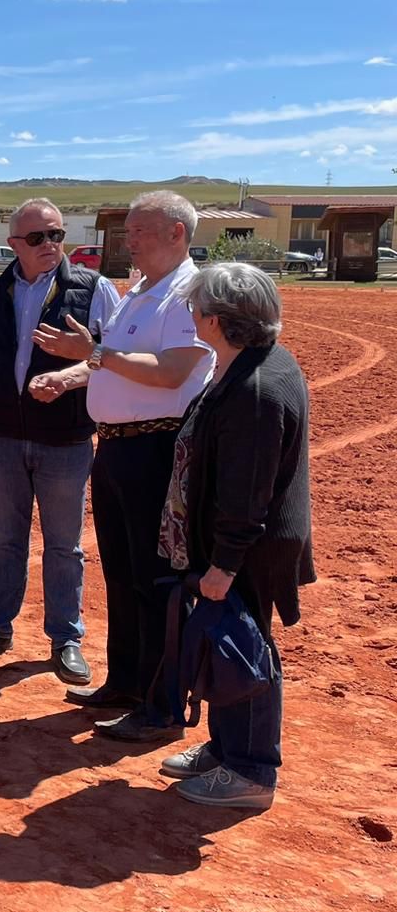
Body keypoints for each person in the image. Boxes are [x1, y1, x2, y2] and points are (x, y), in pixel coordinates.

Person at [31, 189, 214, 741]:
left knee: (157, 579)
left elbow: (171, 371)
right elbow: (111, 363)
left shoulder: (190, 294)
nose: (127, 239)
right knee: (122, 572)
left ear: (177, 233)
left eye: (139, 230)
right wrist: (68, 377)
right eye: (127, 229)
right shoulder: (139, 292)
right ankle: (128, 682)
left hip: (158, 449)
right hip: (116, 448)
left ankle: (162, 705)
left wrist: (91, 354)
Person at [155, 263, 312, 809]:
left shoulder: (255, 389)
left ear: (216, 320)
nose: (191, 316)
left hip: (246, 550)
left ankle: (249, 770)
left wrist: (224, 564)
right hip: (240, 545)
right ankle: (227, 749)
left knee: (242, 649)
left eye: (195, 308)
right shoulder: (254, 364)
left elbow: (247, 492)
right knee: (228, 643)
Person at [0, 198, 120, 684]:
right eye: (37, 237)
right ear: (14, 245)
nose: (49, 244)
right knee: (5, 540)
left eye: (56, 235)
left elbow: (112, 357)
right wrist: (11, 399)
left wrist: (65, 380)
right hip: (5, 435)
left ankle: (65, 638)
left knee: (64, 545)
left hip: (66, 439)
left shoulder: (94, 289)